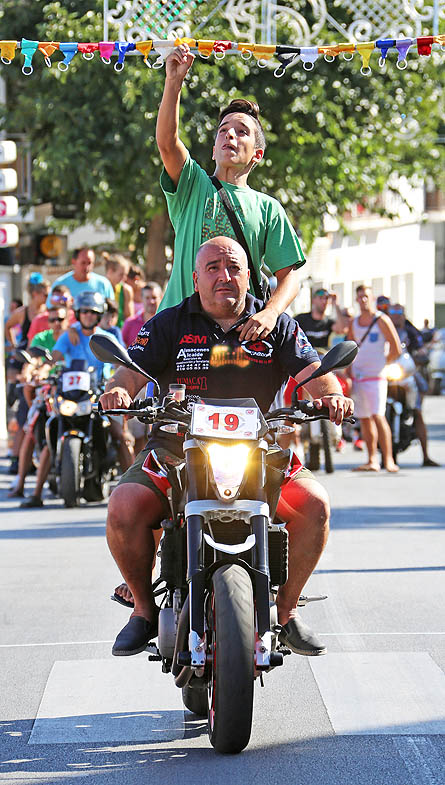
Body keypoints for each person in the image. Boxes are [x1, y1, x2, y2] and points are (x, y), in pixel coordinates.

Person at [99, 236, 353, 658]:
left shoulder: (277, 324)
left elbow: (315, 372)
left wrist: (333, 395)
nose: (224, 276)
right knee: (123, 505)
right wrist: (117, 394)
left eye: (233, 267)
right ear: (196, 278)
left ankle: (286, 612)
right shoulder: (168, 323)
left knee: (316, 505)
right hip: (175, 449)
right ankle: (142, 611)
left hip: (258, 450)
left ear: (249, 276)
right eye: (213, 268)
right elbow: (129, 371)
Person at [155, 44, 306, 340]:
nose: (230, 135)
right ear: (213, 150)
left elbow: (290, 276)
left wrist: (270, 312)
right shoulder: (192, 185)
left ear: (257, 154)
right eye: (223, 130)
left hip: (236, 337)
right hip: (177, 332)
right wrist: (173, 81)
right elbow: (167, 143)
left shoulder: (268, 209)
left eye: (242, 131)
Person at [8, 306, 69, 503]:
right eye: (52, 320)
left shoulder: (73, 336)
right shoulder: (42, 339)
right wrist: (30, 374)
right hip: (47, 395)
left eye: (59, 319)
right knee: (32, 430)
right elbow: (33, 363)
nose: (56, 324)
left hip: (74, 395)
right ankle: (22, 485)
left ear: (67, 317)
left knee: (117, 430)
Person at [347, 285, 402, 472]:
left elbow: (396, 348)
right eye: (360, 297)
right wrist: (348, 372)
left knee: (378, 416)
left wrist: (383, 363)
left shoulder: (381, 320)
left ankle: (388, 460)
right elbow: (349, 348)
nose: (363, 300)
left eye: (366, 297)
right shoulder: (354, 323)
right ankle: (372, 460)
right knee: (364, 419)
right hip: (358, 377)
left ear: (372, 298)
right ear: (356, 299)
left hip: (376, 377)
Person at [388, 304, 439, 467]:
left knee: (417, 409)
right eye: (392, 312)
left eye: (399, 312)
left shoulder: (410, 330)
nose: (395, 316)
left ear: (403, 314)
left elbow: (419, 347)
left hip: (406, 372)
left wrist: (420, 355)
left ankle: (425, 455)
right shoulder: (382, 327)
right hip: (385, 371)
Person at [48, 247, 114, 303]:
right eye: (83, 263)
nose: (87, 267)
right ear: (73, 262)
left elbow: (112, 309)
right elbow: (51, 306)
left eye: (90, 263)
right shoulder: (60, 284)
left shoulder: (103, 284)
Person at [121, 282, 163, 347]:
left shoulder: (167, 324)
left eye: (154, 297)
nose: (151, 301)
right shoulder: (130, 323)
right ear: (141, 299)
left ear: (161, 298)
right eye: (147, 298)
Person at [103, 252, 134, 326]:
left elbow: (130, 319)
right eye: (121, 274)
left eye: (125, 274)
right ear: (110, 272)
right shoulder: (99, 287)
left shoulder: (126, 290)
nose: (124, 278)